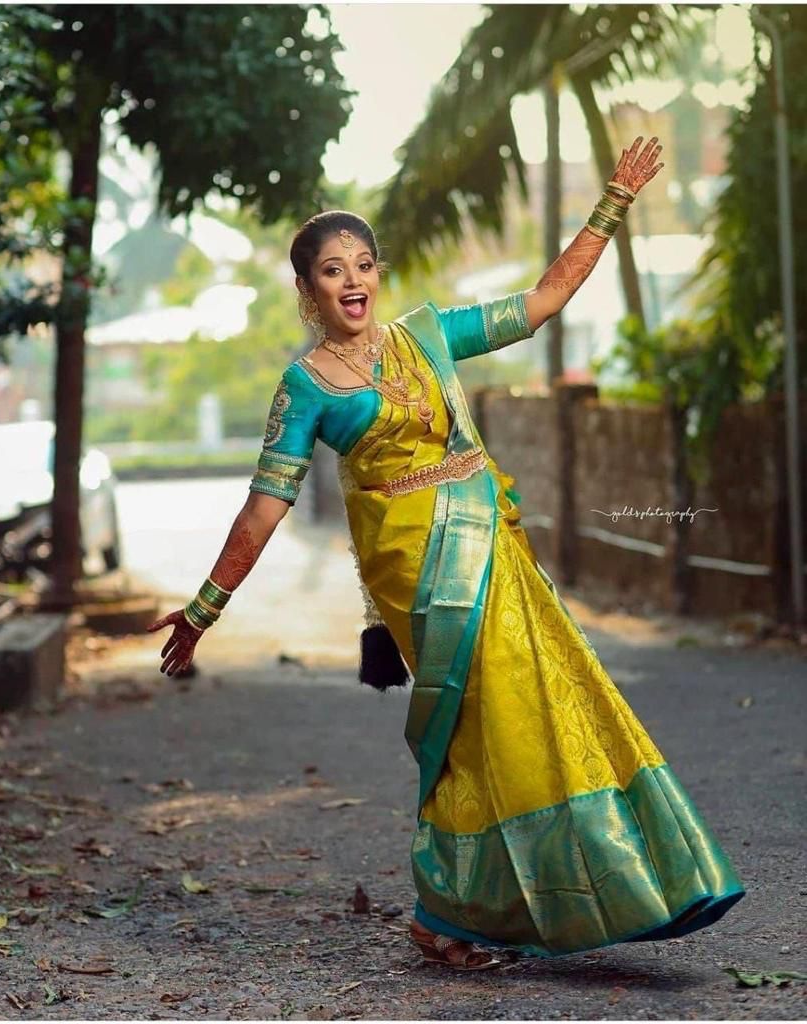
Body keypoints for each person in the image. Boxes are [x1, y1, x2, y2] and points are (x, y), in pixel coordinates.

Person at [148, 136, 744, 970]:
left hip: (487, 540)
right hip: (417, 570)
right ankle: (449, 910)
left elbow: (540, 301)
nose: (352, 280)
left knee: (539, 702)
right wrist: (206, 609)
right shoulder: (307, 385)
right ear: (306, 288)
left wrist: (613, 202)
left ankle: (571, 885)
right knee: (473, 720)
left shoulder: (426, 336)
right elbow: (264, 504)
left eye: (363, 263)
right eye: (332, 269)